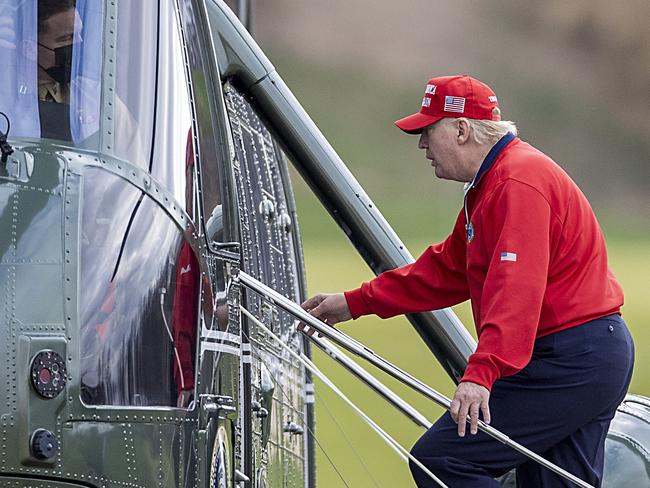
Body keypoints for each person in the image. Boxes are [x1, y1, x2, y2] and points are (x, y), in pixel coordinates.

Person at [300, 74, 634, 487]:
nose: (422, 145)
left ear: (461, 129)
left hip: (571, 358)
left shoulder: (516, 182)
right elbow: (446, 270)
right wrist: (353, 303)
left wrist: (481, 374)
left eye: (427, 131)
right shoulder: (495, 182)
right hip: (584, 354)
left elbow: (516, 293)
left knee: (441, 460)